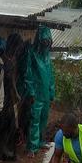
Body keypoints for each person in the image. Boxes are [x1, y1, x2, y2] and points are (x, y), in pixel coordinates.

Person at [20, 27, 55, 155]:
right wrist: (31, 93)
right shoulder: (32, 54)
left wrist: (52, 94)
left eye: (48, 41)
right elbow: (28, 75)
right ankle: (32, 147)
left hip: (45, 94)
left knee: (43, 119)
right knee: (34, 120)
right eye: (44, 41)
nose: (46, 44)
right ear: (39, 40)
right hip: (36, 94)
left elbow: (51, 77)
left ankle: (40, 142)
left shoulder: (47, 57)